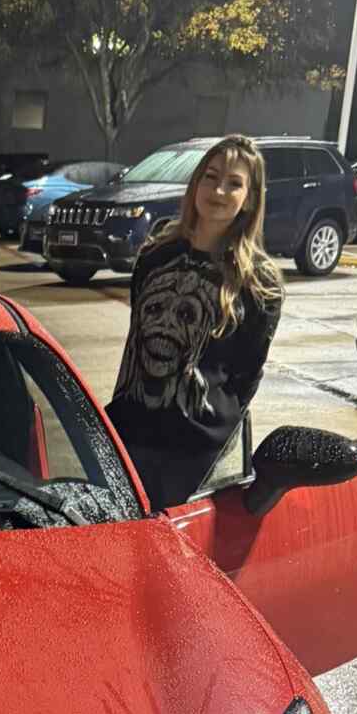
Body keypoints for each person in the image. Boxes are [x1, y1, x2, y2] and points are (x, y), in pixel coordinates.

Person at [106, 134, 285, 511]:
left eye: (234, 183)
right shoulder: (155, 255)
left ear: (250, 198)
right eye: (211, 177)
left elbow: (248, 374)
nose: (219, 190)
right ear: (195, 183)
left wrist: (211, 431)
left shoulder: (259, 281)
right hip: (127, 436)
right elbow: (136, 340)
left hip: (192, 457)